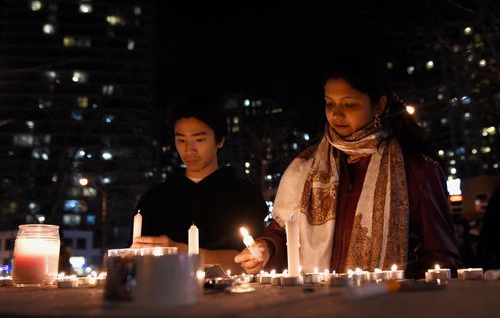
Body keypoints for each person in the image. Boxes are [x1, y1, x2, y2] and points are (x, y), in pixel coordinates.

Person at [235, 55, 462, 279]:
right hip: (319, 305)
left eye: (349, 104)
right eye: (329, 103)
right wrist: (266, 249)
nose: (336, 113)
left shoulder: (417, 170)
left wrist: (399, 284)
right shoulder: (305, 167)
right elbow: (283, 231)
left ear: (379, 105)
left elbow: (441, 258)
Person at [131, 97, 268, 273]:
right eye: (181, 140)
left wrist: (182, 252)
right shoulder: (155, 199)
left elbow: (249, 260)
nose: (189, 150)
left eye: (199, 140)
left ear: (220, 140)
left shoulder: (244, 194)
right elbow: (134, 259)